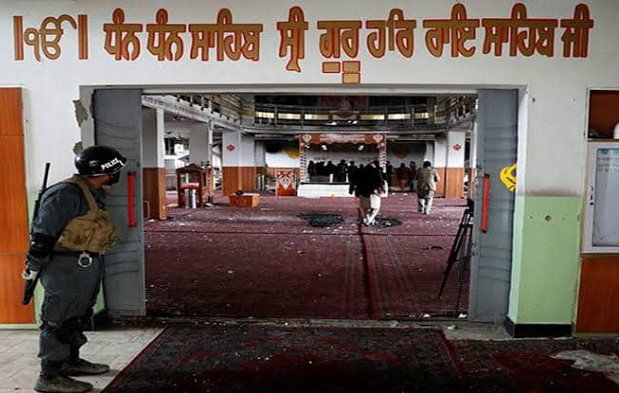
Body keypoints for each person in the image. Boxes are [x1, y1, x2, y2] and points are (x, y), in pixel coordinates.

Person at [23, 145, 126, 393]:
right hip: (64, 267)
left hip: (84, 264)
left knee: (78, 315)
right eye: (115, 169)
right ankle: (49, 375)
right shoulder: (65, 194)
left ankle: (71, 361)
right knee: (58, 318)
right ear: (104, 171)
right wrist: (33, 266)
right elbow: (42, 235)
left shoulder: (92, 191)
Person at [351, 161, 384, 226]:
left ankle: (368, 218)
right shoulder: (376, 171)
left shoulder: (359, 171)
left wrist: (351, 190)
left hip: (362, 192)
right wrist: (381, 189)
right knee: (376, 208)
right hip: (373, 192)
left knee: (364, 207)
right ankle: (369, 219)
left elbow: (353, 181)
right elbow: (381, 181)